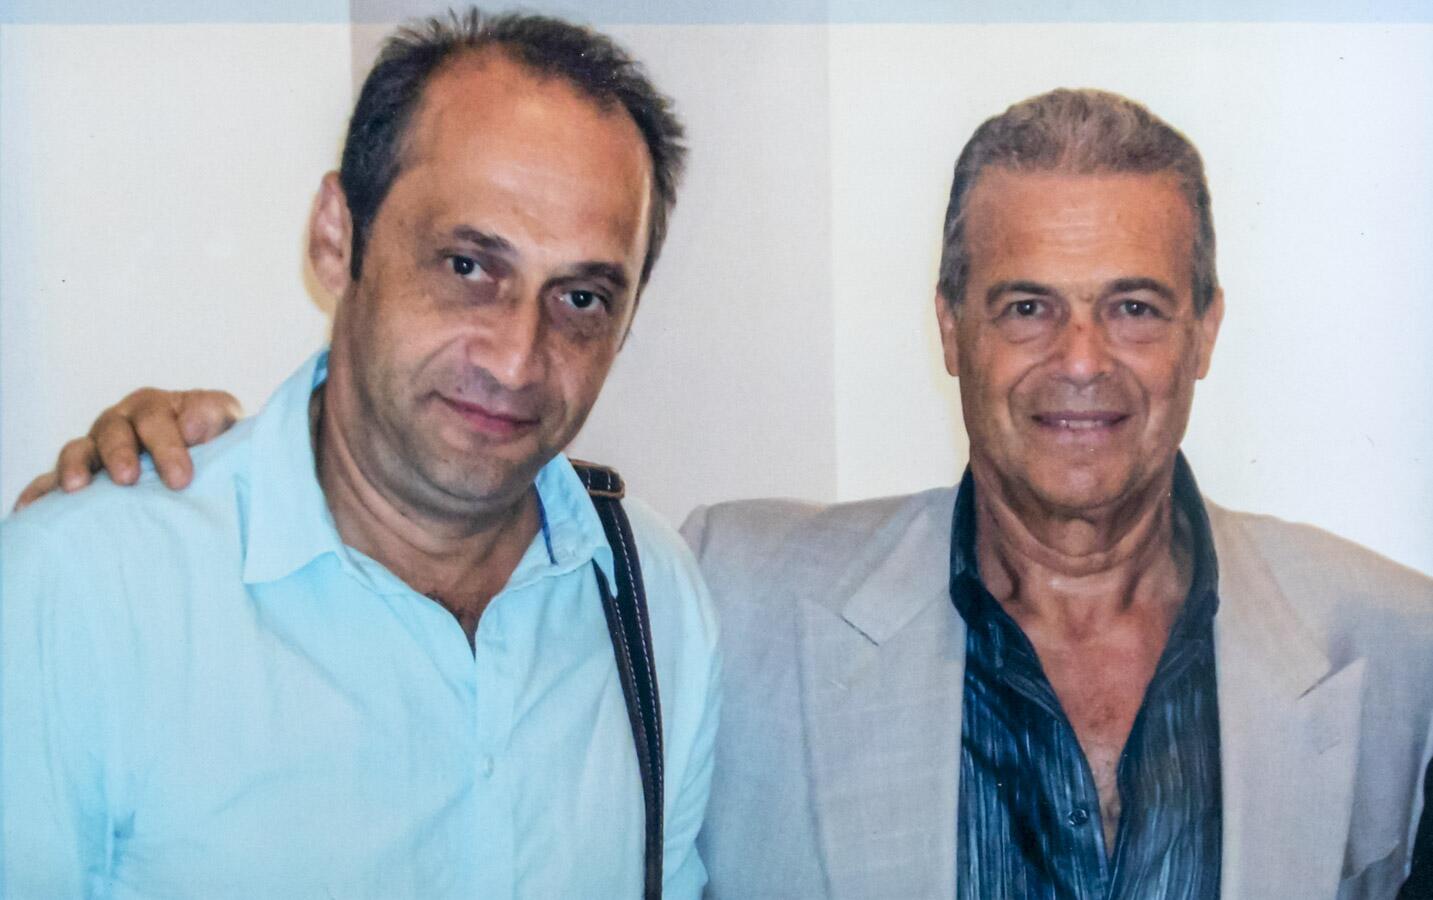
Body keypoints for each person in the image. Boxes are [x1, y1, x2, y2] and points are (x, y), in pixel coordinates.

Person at [20, 90, 1433, 897]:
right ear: (947, 328)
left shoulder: (1392, 648)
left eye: (1132, 306)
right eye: (1022, 305)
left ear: (1204, 329)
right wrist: (189, 459)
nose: (1079, 363)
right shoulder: (724, 592)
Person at [0, 10, 719, 899]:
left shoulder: (653, 594)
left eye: (579, 298)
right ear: (337, 236)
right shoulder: (83, 593)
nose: (515, 360)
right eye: (467, 266)